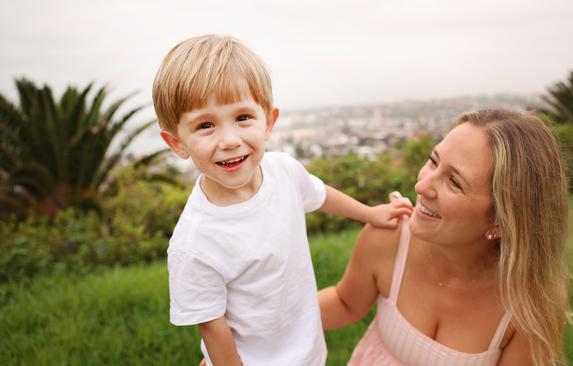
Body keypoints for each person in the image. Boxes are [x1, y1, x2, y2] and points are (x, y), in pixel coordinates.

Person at [152, 34, 412, 366]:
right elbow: (213, 327)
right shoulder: (195, 242)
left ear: (268, 122)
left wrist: (370, 214)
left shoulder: (283, 171)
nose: (230, 140)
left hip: (307, 354)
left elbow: (320, 195)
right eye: (206, 125)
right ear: (177, 143)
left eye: (243, 117)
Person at [319, 109, 573, 366]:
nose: (421, 186)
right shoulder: (389, 238)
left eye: (454, 182)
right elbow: (345, 303)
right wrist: (278, 306)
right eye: (433, 160)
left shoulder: (531, 300)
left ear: (501, 221)